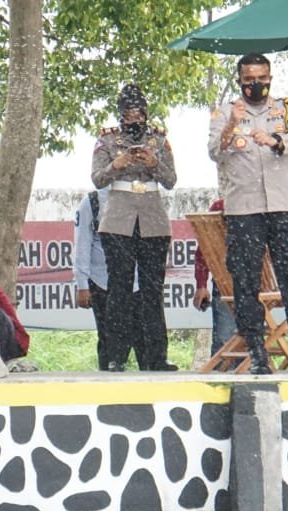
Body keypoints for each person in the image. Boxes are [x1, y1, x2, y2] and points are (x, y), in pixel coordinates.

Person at [207, 53, 288, 375]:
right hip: (244, 210)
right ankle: (256, 352)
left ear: (270, 78)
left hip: (282, 206)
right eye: (249, 79)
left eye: (262, 78)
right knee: (246, 279)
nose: (256, 85)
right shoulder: (224, 112)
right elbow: (214, 151)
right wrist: (230, 125)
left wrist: (276, 140)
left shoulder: (285, 107)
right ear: (240, 81)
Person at [89, 83, 178, 372]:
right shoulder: (107, 141)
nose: (134, 119)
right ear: (120, 115)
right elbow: (98, 179)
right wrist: (118, 163)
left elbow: (171, 180)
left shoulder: (160, 141)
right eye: (128, 114)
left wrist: (153, 163)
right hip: (118, 218)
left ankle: (156, 356)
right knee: (120, 289)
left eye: (139, 113)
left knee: (153, 290)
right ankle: (116, 356)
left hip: (152, 216)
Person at [73, 189, 152, 370]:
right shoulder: (92, 203)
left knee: (144, 343)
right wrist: (82, 285)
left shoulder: (142, 198)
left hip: (137, 285)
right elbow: (82, 244)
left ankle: (146, 394)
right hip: (102, 283)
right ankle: (110, 394)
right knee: (110, 344)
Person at [192, 198, 239, 359]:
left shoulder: (264, 205)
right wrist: (201, 284)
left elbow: (203, 250)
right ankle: (221, 373)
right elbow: (204, 249)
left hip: (251, 285)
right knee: (225, 339)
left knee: (230, 339)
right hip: (227, 284)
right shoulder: (221, 206)